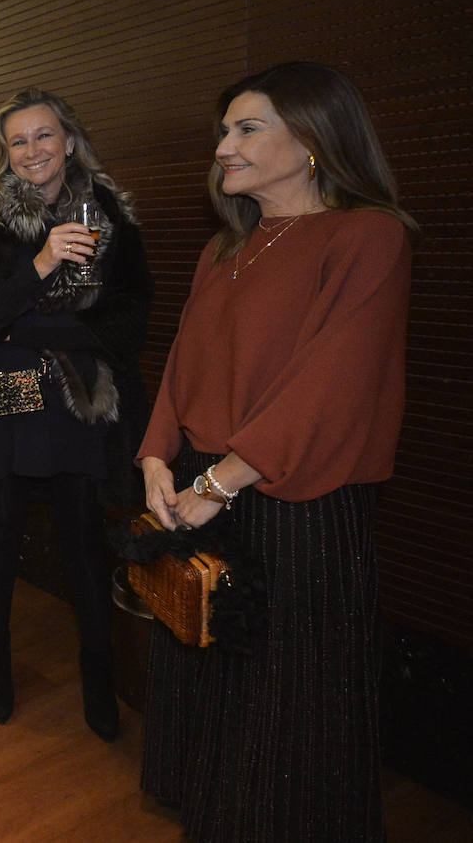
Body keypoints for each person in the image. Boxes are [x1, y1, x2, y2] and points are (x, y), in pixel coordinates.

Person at [136, 62, 416, 841]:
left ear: (317, 139)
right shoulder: (224, 249)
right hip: (205, 485)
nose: (225, 145)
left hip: (297, 501)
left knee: (290, 688)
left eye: (247, 127)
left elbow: (331, 385)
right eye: (224, 129)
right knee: (208, 661)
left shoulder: (369, 237)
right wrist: (158, 456)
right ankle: (214, 805)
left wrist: (220, 483)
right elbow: (182, 364)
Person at [0, 89, 152, 735]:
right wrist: (41, 264)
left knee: (84, 536)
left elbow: (129, 323)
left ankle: (98, 681)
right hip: (1, 391)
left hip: (79, 394)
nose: (32, 151)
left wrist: (31, 330)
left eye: (44, 137)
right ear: (5, 154)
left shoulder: (111, 217)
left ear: (70, 142)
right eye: (18, 141)